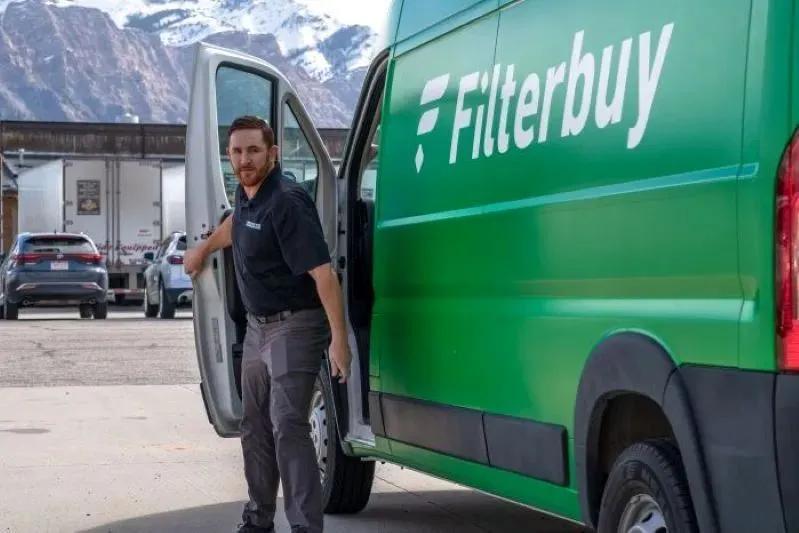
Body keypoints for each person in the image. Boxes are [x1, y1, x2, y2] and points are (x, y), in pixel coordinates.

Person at [184, 115, 351, 533]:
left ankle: (304, 527)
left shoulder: (287, 202)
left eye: (254, 150)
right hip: (258, 328)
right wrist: (202, 249)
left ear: (272, 153)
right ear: (229, 156)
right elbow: (234, 227)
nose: (245, 159)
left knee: (287, 424)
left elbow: (324, 275)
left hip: (297, 325)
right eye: (238, 152)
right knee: (253, 426)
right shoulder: (246, 196)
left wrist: (339, 339)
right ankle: (258, 521)